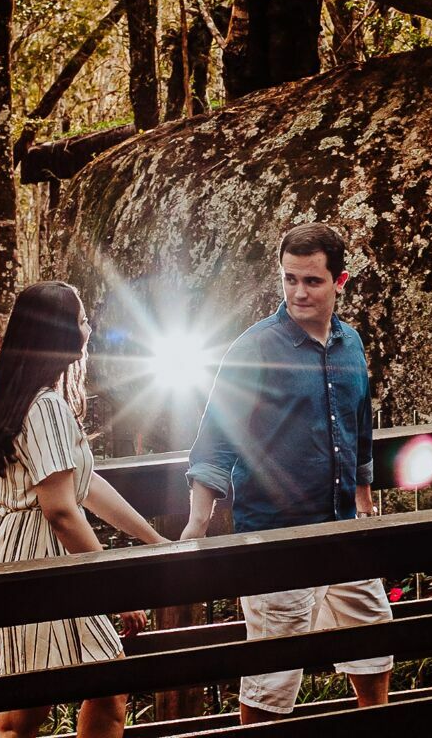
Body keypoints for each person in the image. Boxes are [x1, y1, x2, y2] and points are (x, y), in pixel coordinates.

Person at [183, 222, 391, 723]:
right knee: (273, 675)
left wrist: (363, 499)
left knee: (374, 636)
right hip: (275, 534)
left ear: (339, 282)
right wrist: (198, 521)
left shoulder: (351, 346)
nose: (299, 291)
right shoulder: (254, 349)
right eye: (289, 279)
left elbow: (361, 428)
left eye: (312, 281)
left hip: (343, 526)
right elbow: (214, 440)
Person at [0, 281, 168, 738]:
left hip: (39, 555)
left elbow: (86, 486)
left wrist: (153, 540)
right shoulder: (45, 407)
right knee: (23, 714)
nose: (89, 326)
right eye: (82, 319)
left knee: (106, 686)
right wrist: (113, 588)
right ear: (61, 333)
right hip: (39, 562)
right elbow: (61, 510)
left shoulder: (38, 400)